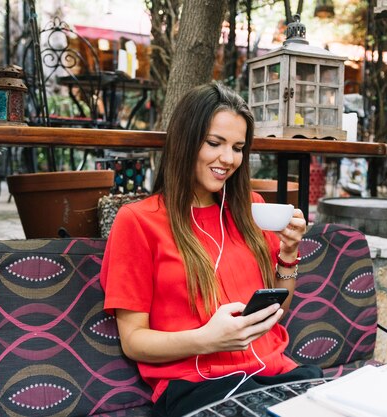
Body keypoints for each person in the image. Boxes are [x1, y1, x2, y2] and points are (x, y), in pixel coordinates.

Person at [100, 82, 321, 417]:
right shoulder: (139, 222)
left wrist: (288, 253)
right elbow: (134, 341)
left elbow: (274, 313)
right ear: (186, 142)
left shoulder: (252, 209)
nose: (228, 159)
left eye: (238, 147)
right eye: (214, 143)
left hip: (276, 375)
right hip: (197, 388)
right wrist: (207, 339)